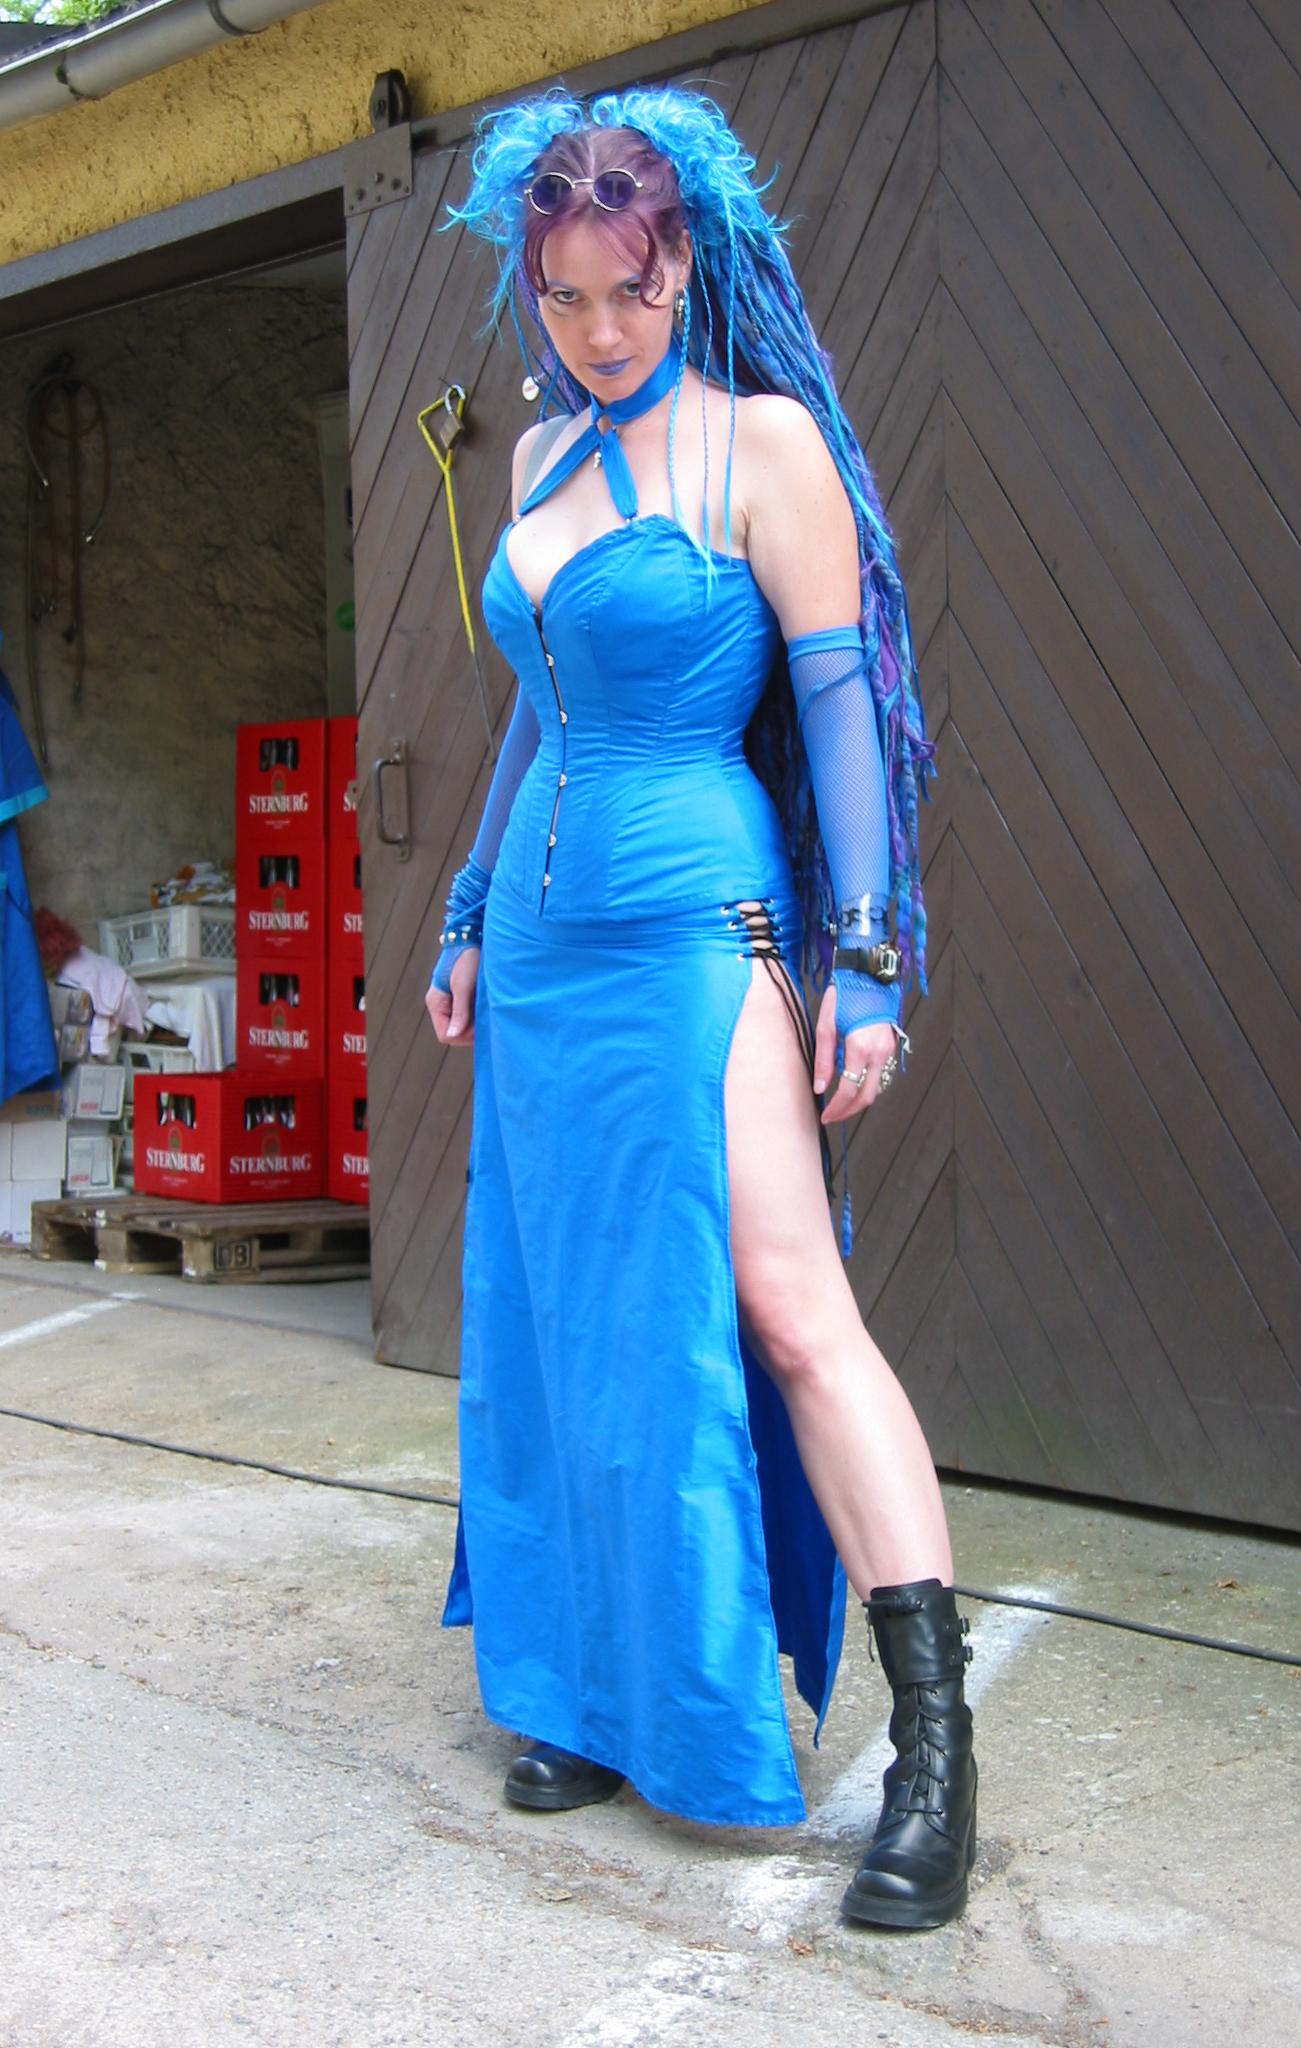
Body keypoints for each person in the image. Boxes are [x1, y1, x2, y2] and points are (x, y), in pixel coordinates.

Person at [423, 85, 976, 1931]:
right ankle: (600, 1693)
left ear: (691, 265)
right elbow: (540, 705)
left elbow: (842, 705)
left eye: (633, 294)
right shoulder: (534, 455)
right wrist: (471, 904)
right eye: (568, 297)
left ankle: (934, 1757)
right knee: (572, 1315)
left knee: (795, 1313)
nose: (600, 332)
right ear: (534, 285)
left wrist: (867, 954)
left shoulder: (765, 446)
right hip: (545, 952)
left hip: (694, 931)